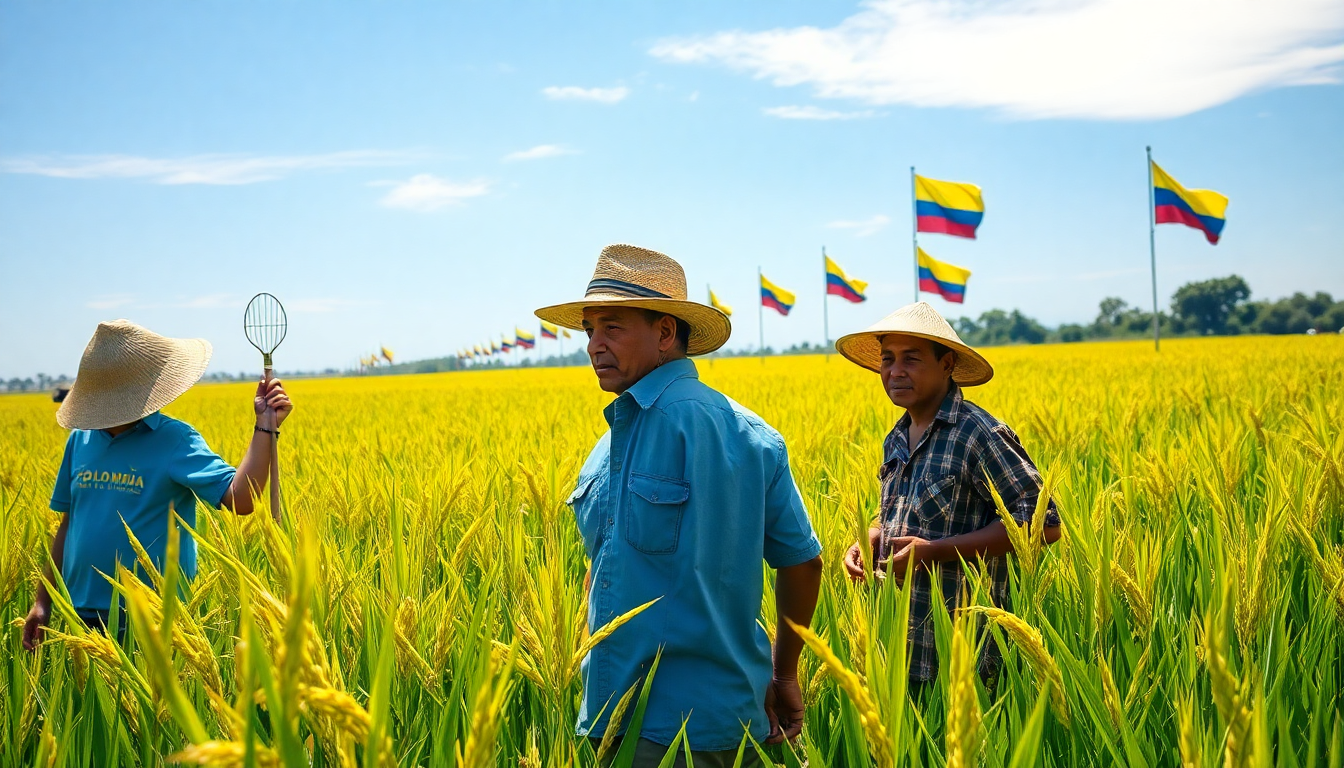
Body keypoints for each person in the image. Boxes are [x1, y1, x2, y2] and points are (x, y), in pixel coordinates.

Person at [535, 244, 824, 766]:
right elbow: (802, 564)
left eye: (613, 327)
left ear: (665, 333)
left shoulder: (735, 438)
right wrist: (783, 673)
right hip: (688, 714)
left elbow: (803, 561)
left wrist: (782, 676)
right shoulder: (749, 436)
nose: (594, 345)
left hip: (664, 729)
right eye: (589, 329)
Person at [22, 319, 292, 650]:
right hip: (82, 613)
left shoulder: (175, 440)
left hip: (155, 617)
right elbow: (67, 526)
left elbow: (241, 499)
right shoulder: (80, 441)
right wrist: (43, 602)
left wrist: (265, 427)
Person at [834, 302, 1060, 688]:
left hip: (963, 655)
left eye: (912, 358)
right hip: (898, 647)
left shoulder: (978, 434)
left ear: (947, 363)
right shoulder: (896, 439)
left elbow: (1045, 525)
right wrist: (871, 537)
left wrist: (938, 551)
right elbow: (903, 515)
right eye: (888, 359)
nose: (895, 370)